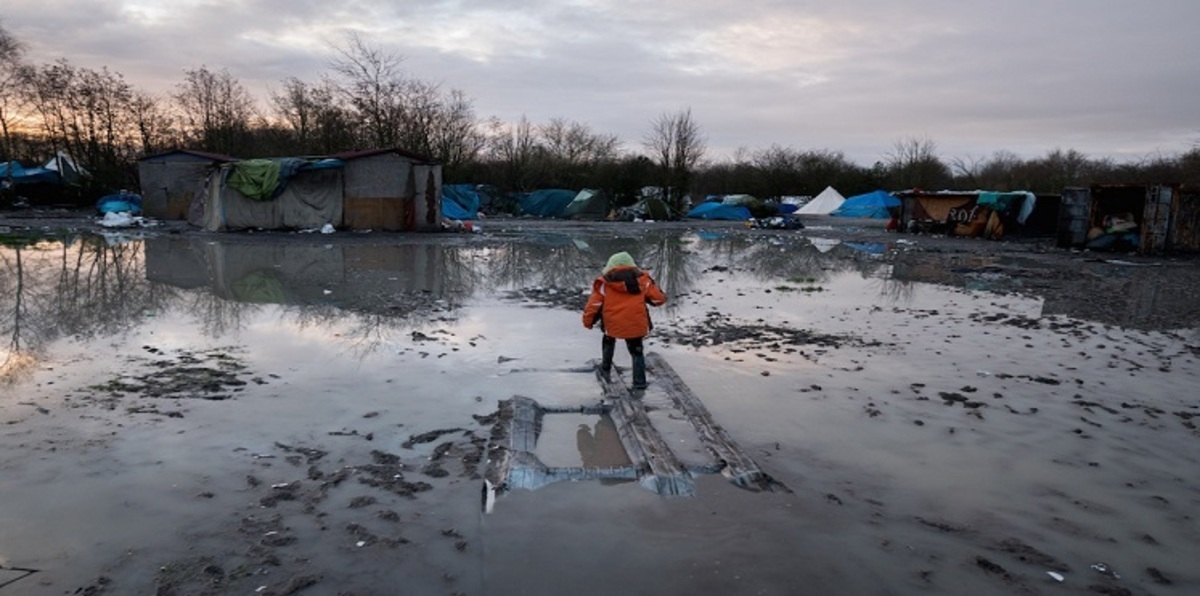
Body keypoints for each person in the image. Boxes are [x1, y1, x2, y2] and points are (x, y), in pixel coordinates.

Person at [582, 251, 666, 389]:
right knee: (637, 352)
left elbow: (593, 306)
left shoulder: (604, 284)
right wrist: (652, 285)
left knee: (608, 340)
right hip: (636, 325)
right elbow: (659, 299)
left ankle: (606, 367)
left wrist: (588, 322)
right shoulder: (643, 282)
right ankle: (639, 383)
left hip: (612, 325)